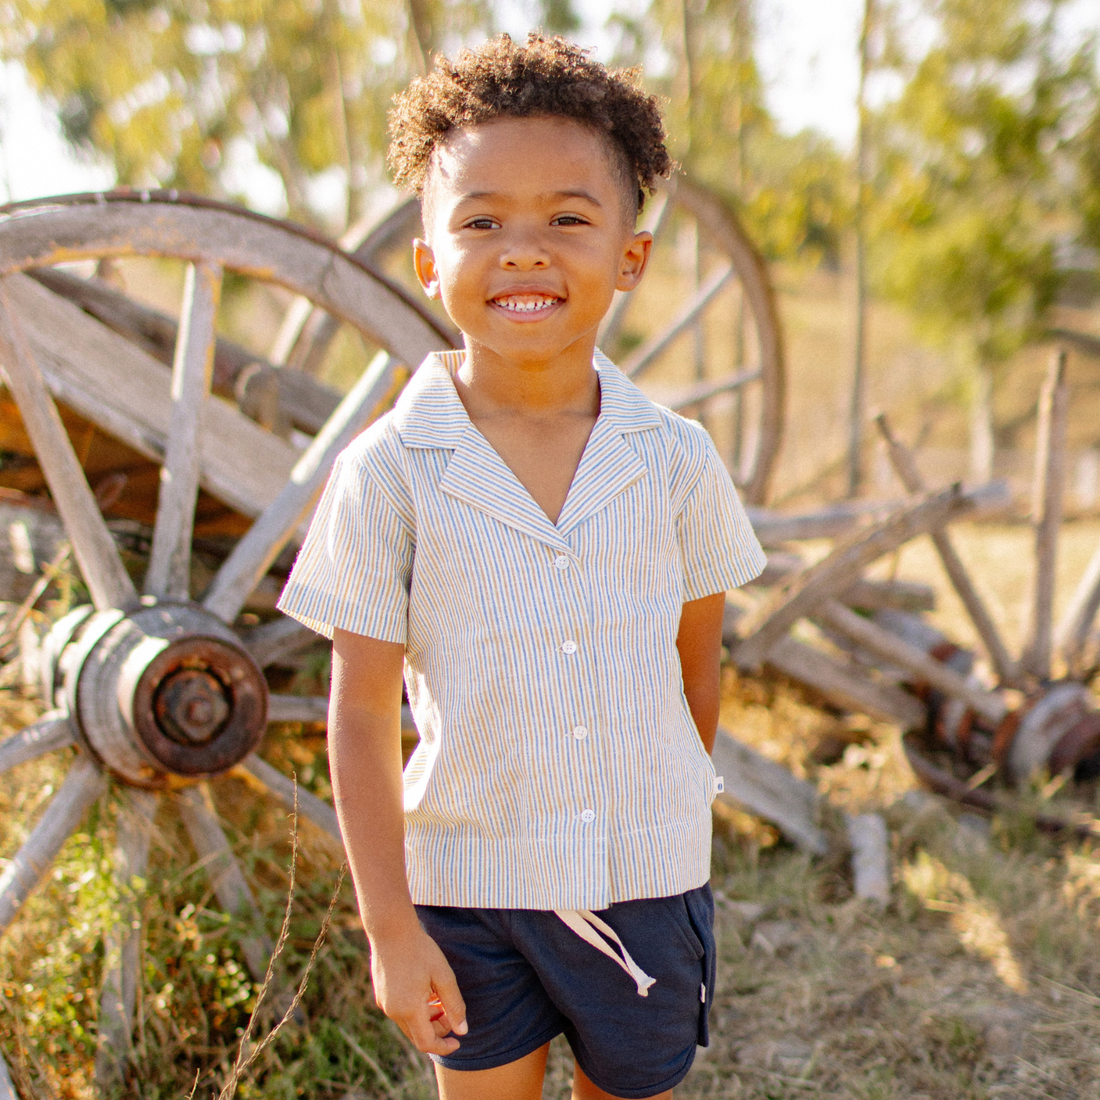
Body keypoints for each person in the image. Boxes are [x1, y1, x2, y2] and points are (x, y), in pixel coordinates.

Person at [278, 32, 765, 1100]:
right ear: (427, 261)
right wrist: (389, 928)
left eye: (568, 219)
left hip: (644, 884)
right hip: (465, 889)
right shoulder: (389, 472)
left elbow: (695, 671)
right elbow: (358, 714)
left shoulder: (674, 461)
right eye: (482, 220)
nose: (524, 250)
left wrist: (643, 813)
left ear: (628, 258)